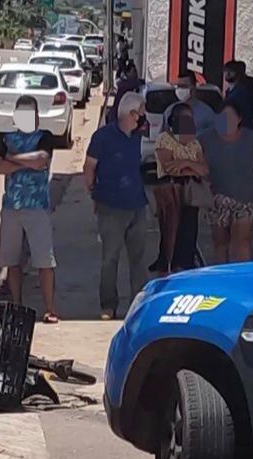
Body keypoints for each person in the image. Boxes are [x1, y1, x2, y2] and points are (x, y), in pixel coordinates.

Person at [0, 96, 59, 324]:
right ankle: (17, 304)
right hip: (11, 206)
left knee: (44, 260)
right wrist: (24, 162)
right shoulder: (6, 138)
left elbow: (41, 160)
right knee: (12, 260)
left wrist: (12, 159)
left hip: (37, 206)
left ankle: (50, 309)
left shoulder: (44, 137)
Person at [84, 92, 149, 321]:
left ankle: (138, 305)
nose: (143, 117)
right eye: (141, 112)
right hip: (110, 207)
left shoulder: (140, 138)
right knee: (110, 258)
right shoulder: (102, 137)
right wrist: (93, 193)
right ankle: (108, 306)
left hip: (137, 205)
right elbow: (89, 167)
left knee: (138, 259)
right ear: (131, 114)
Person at [201, 100, 253, 263]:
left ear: (239, 119)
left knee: (242, 242)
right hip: (216, 199)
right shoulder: (205, 139)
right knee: (220, 244)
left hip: (246, 198)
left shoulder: (252, 139)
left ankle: (243, 276)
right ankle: (223, 277)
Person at [152, 103, 209, 274]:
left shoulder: (195, 144)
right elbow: (169, 168)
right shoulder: (164, 139)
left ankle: (185, 267)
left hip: (190, 194)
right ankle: (166, 270)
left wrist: (185, 163)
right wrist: (192, 168)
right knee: (170, 235)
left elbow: (204, 170)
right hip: (171, 193)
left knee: (189, 234)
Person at [161, 71, 218, 136]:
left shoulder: (207, 113)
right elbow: (163, 136)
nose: (180, 89)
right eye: (179, 86)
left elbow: (214, 137)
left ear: (193, 87)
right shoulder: (169, 111)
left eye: (184, 86)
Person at [224, 60, 253, 130]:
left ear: (238, 73)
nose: (227, 73)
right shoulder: (229, 92)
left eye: (231, 71)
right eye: (226, 70)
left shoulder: (241, 92)